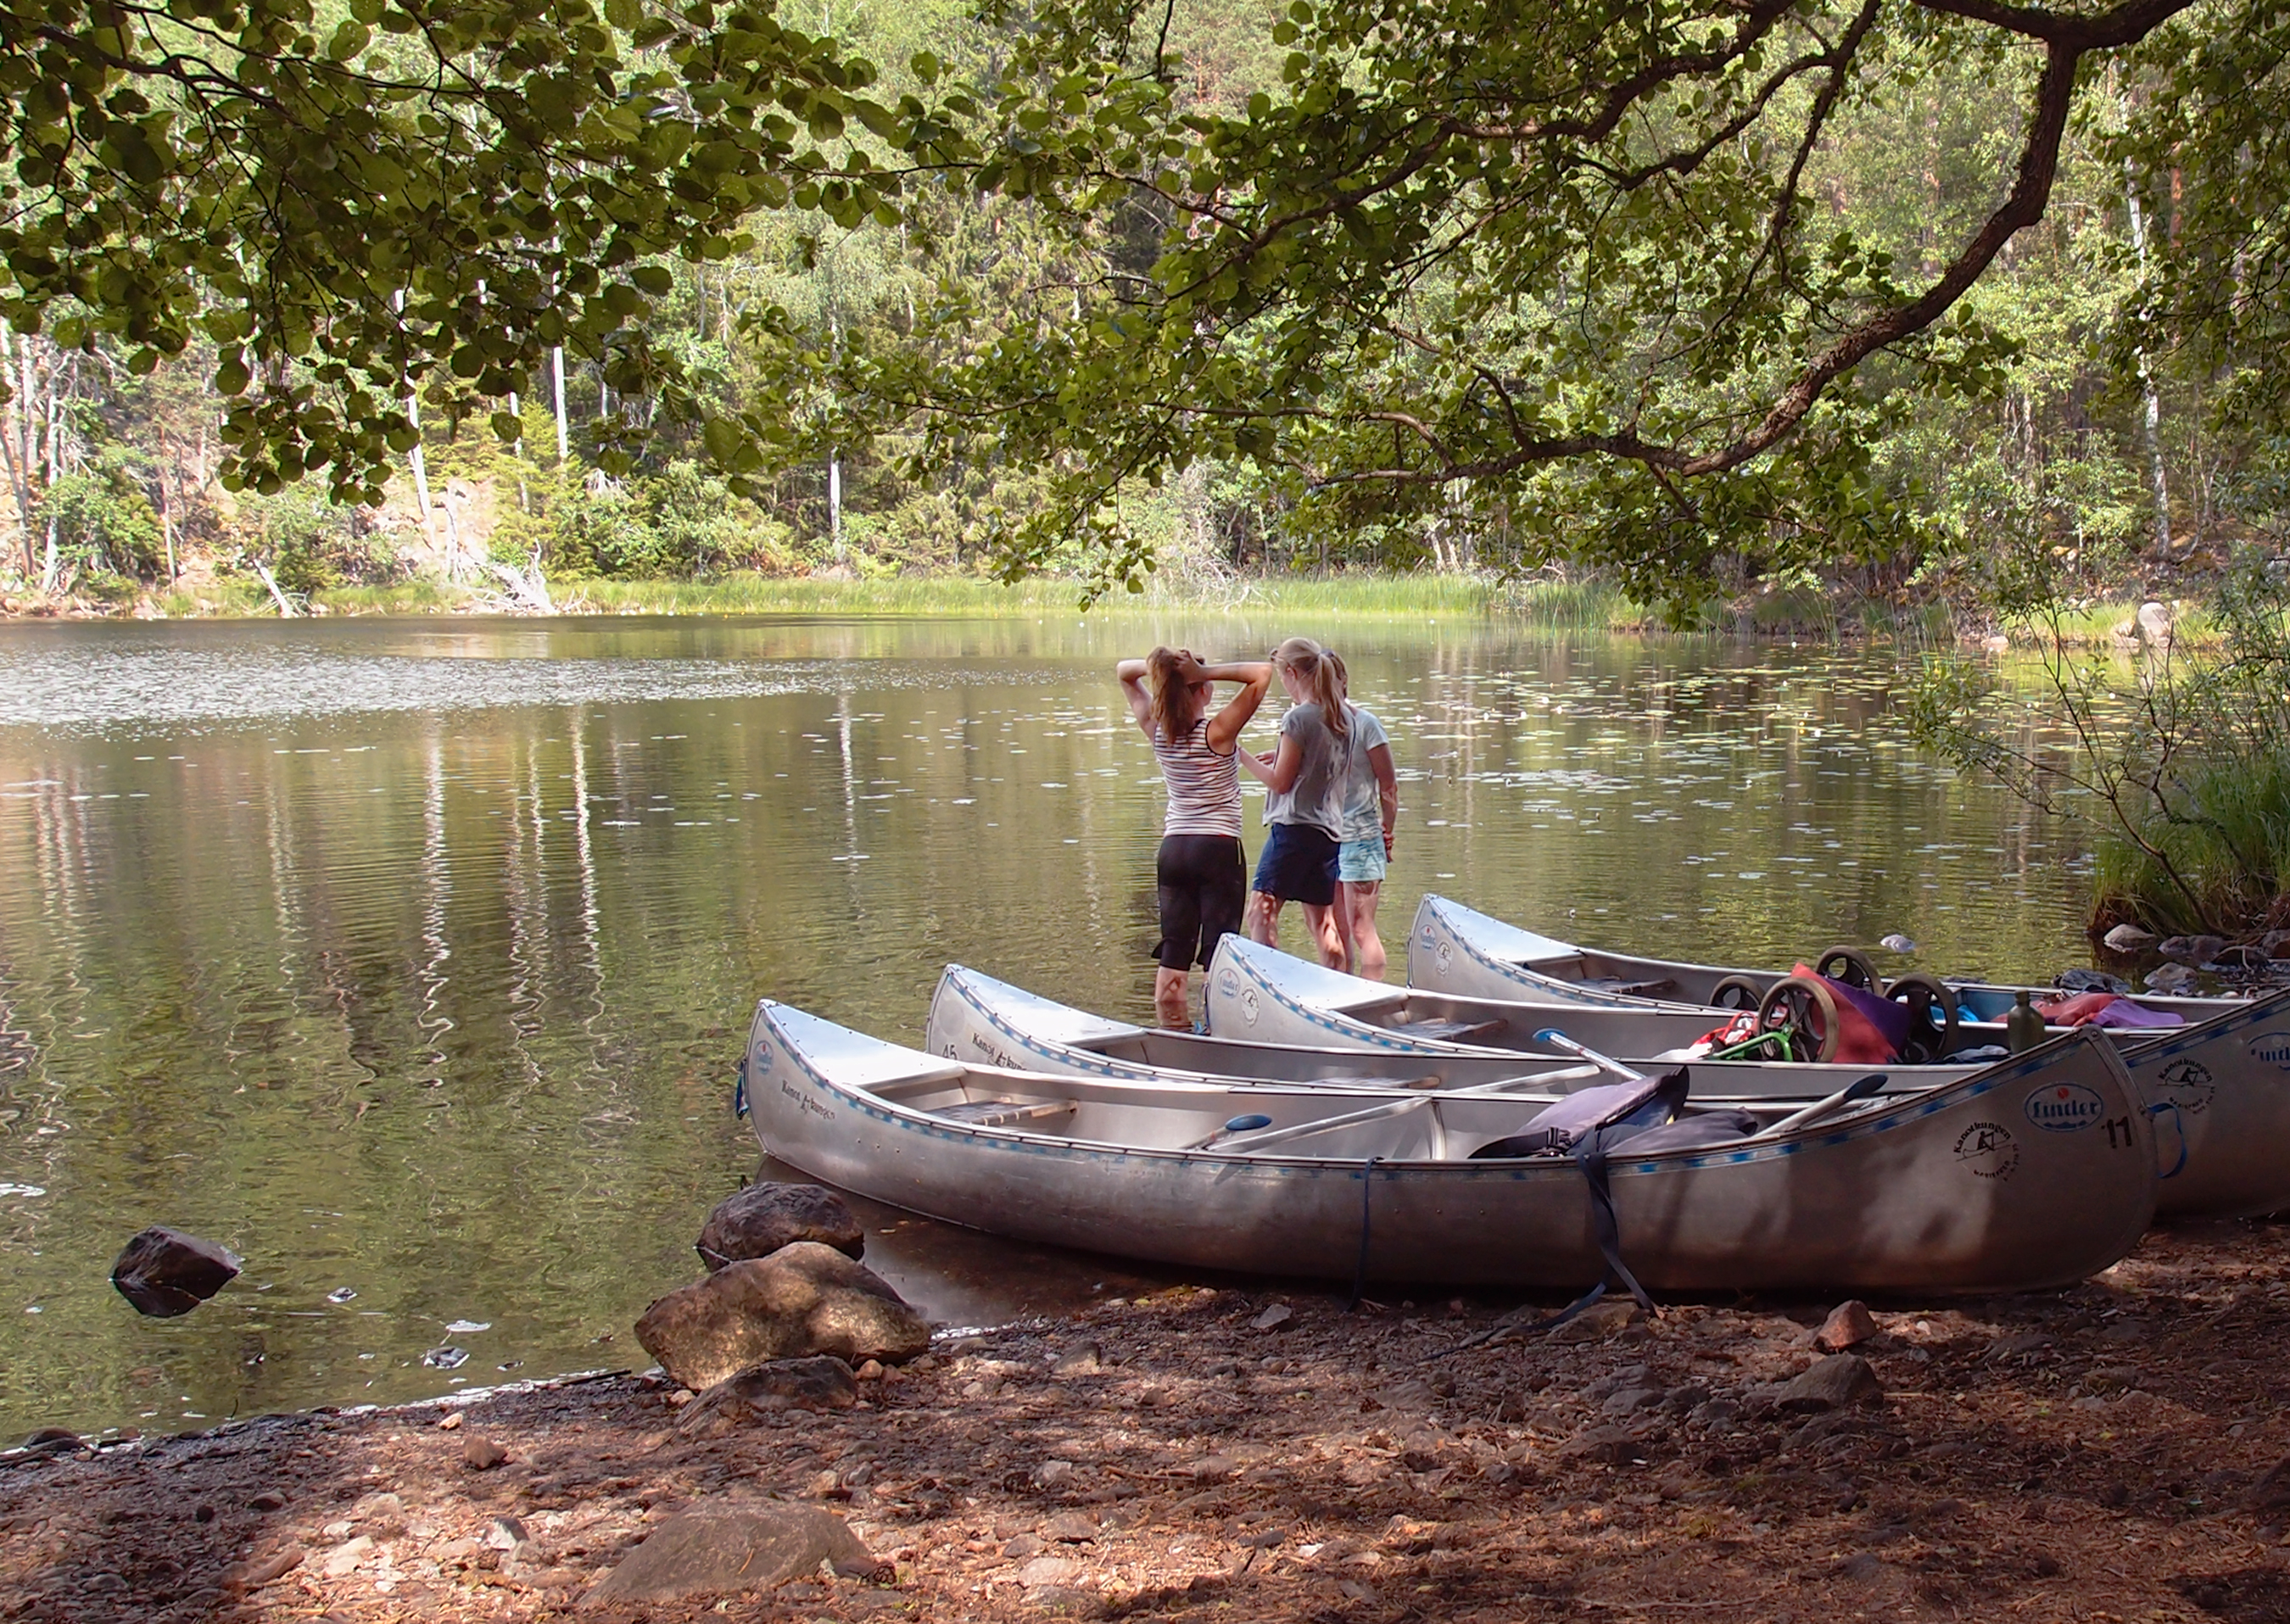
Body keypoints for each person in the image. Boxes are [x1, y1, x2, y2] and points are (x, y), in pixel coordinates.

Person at [1117, 645, 1274, 1028]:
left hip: (1174, 850)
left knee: (1174, 951)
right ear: (1201, 691)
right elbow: (1262, 674)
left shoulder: (1159, 732)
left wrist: (1165, 669)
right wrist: (1202, 671)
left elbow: (1124, 672)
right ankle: (1217, 1034)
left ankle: (1172, 1030)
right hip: (1217, 848)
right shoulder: (1217, 733)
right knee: (1217, 953)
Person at [1237, 636, 1349, 968]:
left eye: (1281, 676)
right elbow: (1319, 763)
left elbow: (1280, 783)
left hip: (1294, 829)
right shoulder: (1343, 717)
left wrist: (1240, 754)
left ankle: (1271, 979)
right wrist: (1284, 756)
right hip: (1328, 831)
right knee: (1322, 922)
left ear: (1291, 672)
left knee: (1260, 913)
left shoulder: (1298, 718)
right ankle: (1339, 983)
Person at [1324, 650, 1399, 979]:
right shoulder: (1309, 725)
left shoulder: (1367, 724)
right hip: (1326, 838)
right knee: (1334, 931)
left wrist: (1387, 829)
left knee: (1360, 927)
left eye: (1330, 678)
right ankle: (1343, 992)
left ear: (1343, 681)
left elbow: (1389, 784)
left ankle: (1375, 992)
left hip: (1362, 837)